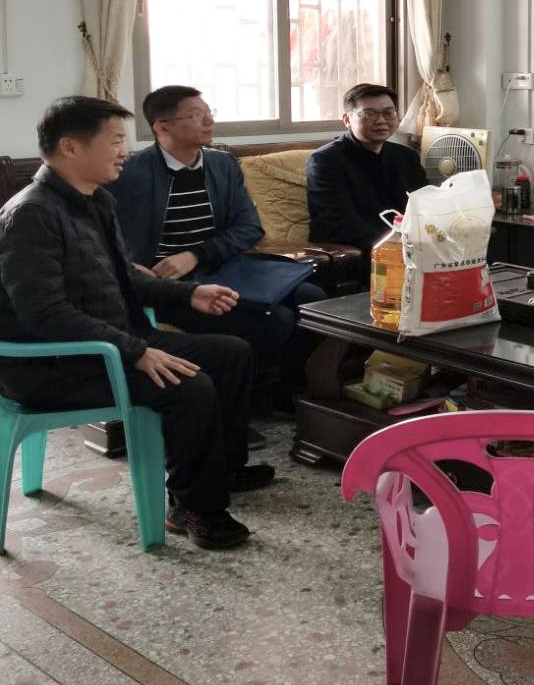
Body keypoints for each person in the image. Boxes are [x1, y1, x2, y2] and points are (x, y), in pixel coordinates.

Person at [0, 96, 272, 550]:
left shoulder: (95, 200)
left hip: (110, 346)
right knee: (189, 385)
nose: (124, 151)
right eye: (114, 141)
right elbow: (43, 312)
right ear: (70, 147)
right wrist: (136, 351)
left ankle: (218, 472)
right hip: (54, 366)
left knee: (232, 353)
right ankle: (194, 506)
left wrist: (189, 294)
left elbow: (124, 276)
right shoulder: (31, 214)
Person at [107, 86, 326, 403]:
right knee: (275, 320)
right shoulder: (128, 174)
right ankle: (242, 400)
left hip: (224, 269)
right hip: (168, 285)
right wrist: (134, 268)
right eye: (196, 116)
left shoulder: (222, 164)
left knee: (312, 299)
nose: (209, 122)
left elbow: (250, 227)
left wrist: (196, 254)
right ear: (162, 127)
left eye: (209, 113)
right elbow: (106, 236)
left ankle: (287, 391)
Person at [306, 83, 426, 271]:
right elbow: (339, 223)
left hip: (408, 247)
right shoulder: (325, 160)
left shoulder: (406, 156)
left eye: (389, 113)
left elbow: (425, 207)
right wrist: (396, 246)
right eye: (369, 114)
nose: (381, 120)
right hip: (353, 251)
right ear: (347, 119)